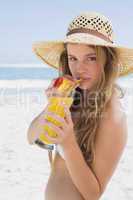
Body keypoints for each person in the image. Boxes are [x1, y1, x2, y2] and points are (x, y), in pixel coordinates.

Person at [27, 12, 133, 200]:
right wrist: (52, 106)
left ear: (107, 61)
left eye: (91, 58)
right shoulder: (74, 98)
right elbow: (31, 137)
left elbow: (93, 194)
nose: (79, 68)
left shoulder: (113, 115)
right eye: (73, 58)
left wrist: (68, 144)